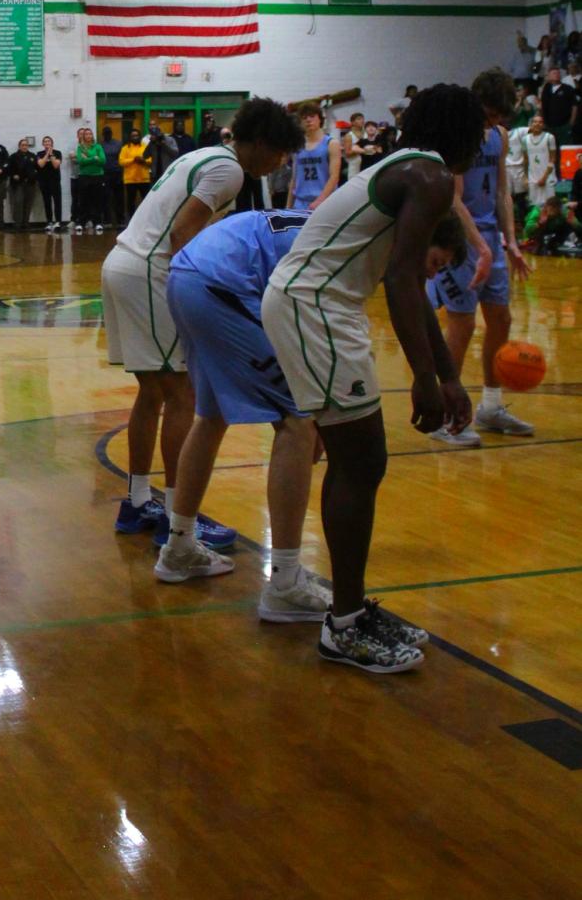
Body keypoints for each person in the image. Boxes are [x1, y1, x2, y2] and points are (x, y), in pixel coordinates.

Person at [261, 84, 483, 676]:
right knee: (361, 462)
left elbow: (408, 280)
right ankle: (345, 625)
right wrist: (427, 379)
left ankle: (350, 611)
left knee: (360, 460)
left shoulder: (405, 167)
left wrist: (451, 375)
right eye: (483, 128)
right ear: (464, 131)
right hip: (315, 304)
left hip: (325, 304)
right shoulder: (431, 177)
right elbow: (405, 280)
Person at [161, 207, 460, 633]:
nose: (428, 278)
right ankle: (283, 582)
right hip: (223, 283)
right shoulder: (364, 250)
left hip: (189, 275)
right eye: (433, 264)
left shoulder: (353, 227)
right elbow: (316, 326)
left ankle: (178, 546)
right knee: (298, 421)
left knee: (211, 415)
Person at [102, 97, 303, 543]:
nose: (281, 162)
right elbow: (182, 234)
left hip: (122, 262)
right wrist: (195, 297)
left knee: (153, 392)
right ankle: (177, 519)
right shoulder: (228, 170)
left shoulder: (204, 155)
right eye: (281, 151)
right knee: (182, 393)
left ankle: (138, 503)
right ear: (263, 143)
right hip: (149, 269)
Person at [425, 68, 533, 448]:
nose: (494, 121)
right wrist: (479, 247)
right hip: (459, 238)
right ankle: (443, 414)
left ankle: (490, 406)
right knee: (463, 324)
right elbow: (453, 198)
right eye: (489, 113)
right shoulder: (458, 137)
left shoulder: (499, 137)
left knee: (500, 319)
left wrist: (511, 242)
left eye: (500, 116)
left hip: (489, 237)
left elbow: (503, 191)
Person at [286, 104, 340, 214]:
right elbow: (294, 177)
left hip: (325, 201)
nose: (308, 120)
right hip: (300, 203)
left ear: (320, 119)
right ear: (300, 123)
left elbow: (334, 176)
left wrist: (320, 200)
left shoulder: (331, 143)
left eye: (312, 116)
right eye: (304, 118)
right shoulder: (297, 146)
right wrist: (288, 206)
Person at [71, 125, 107, 232]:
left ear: (92, 136)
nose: (88, 135)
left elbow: (103, 161)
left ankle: (97, 222)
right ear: (83, 136)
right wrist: (94, 158)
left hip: (98, 176)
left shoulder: (98, 147)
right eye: (86, 134)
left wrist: (88, 157)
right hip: (84, 177)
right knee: (83, 200)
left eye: (90, 134)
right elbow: (81, 162)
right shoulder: (80, 147)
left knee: (97, 200)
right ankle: (81, 222)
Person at [521, 112, 557, 207]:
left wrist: (544, 178)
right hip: (533, 179)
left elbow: (552, 159)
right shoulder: (525, 140)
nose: (537, 124)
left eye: (540, 122)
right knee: (534, 208)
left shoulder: (550, 138)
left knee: (549, 207)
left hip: (548, 178)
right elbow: (525, 160)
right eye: (535, 122)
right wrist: (525, 177)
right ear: (531, 124)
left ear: (543, 125)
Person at [118, 127, 149, 221]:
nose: (135, 137)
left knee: (146, 201)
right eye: (133, 136)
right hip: (130, 179)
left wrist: (143, 160)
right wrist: (133, 159)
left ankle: (146, 220)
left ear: (140, 136)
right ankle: (131, 220)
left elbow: (151, 159)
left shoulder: (145, 146)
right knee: (130, 202)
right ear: (130, 137)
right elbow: (121, 161)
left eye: (137, 135)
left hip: (144, 178)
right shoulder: (125, 148)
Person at [7, 137, 38, 230]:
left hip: (30, 183)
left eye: (26, 145)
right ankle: (17, 223)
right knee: (18, 203)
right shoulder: (13, 156)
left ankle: (26, 223)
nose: (25, 147)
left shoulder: (32, 156)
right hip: (18, 184)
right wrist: (13, 175)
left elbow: (37, 168)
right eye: (23, 145)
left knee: (28, 204)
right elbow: (9, 169)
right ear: (19, 146)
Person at [36, 136, 63, 231]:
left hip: (55, 181)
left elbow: (56, 165)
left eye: (49, 141)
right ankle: (49, 222)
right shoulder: (39, 154)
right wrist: (47, 154)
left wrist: (51, 155)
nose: (47, 143)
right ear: (43, 144)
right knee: (47, 202)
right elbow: (41, 164)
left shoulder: (58, 153)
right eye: (45, 142)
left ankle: (58, 222)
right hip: (44, 182)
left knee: (57, 202)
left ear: (52, 143)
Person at [540, 65, 576, 136]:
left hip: (564, 124)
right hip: (549, 124)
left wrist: (572, 122)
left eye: (558, 73)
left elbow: (574, 106)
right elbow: (543, 105)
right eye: (554, 73)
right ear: (549, 76)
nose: (557, 75)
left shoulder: (568, 88)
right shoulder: (546, 89)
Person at [100, 126, 124, 227]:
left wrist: (121, 173)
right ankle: (107, 220)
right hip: (105, 174)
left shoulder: (119, 143)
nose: (107, 134)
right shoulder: (100, 145)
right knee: (106, 198)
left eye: (109, 132)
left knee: (119, 198)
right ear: (103, 134)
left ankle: (120, 220)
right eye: (105, 133)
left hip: (117, 173)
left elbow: (122, 158)